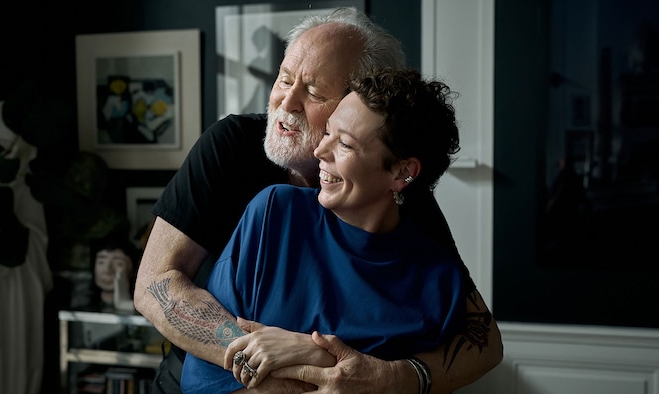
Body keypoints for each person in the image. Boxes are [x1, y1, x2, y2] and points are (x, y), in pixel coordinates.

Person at [134, 7, 503, 394]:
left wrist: (389, 376)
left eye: (313, 91)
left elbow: (483, 340)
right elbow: (155, 283)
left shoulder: (402, 208)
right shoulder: (241, 161)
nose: (286, 102)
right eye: (284, 78)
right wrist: (283, 361)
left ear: (361, 101)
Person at [170, 67, 468, 393]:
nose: (319, 152)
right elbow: (199, 377)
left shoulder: (439, 282)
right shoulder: (273, 214)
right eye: (328, 133)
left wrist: (309, 351)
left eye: (346, 145)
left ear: (402, 171)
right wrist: (331, 365)